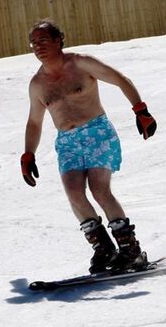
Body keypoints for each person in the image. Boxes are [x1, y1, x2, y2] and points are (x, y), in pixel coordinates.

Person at [21, 19, 158, 273]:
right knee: (74, 194)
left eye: (43, 40)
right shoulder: (37, 84)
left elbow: (119, 79)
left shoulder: (81, 63)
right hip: (67, 142)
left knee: (99, 189)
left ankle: (131, 250)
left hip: (98, 133)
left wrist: (141, 110)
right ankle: (104, 250)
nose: (37, 46)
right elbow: (34, 123)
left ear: (58, 40)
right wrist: (28, 154)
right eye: (33, 42)